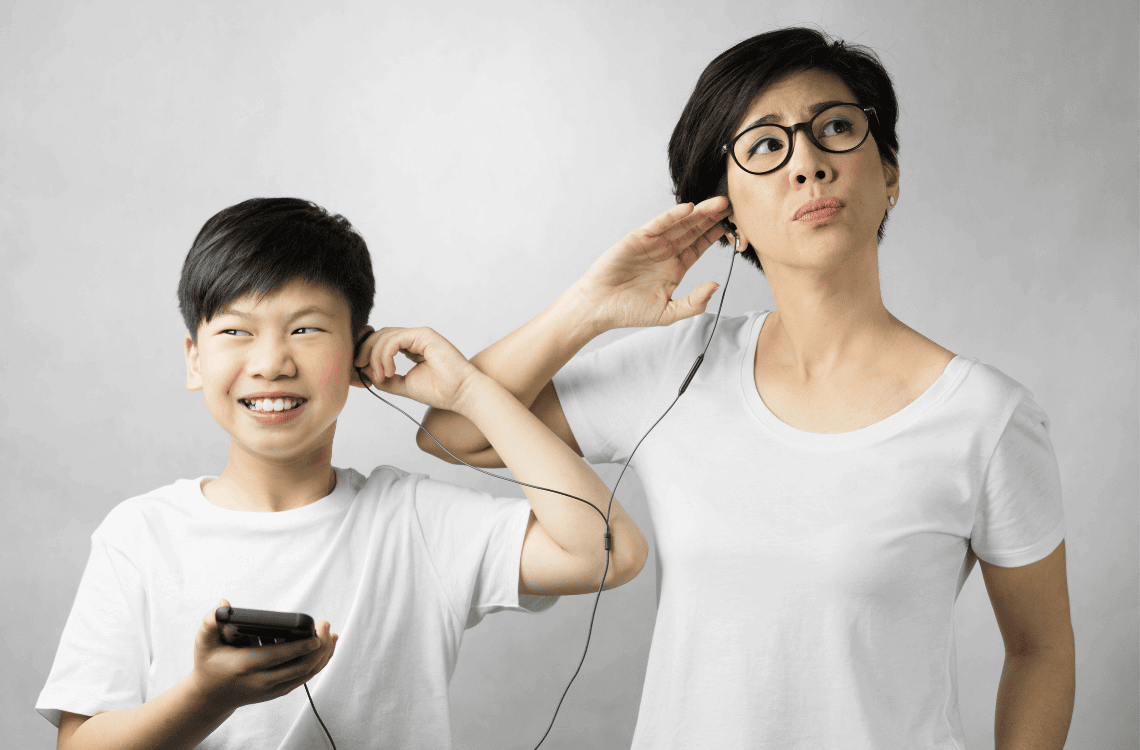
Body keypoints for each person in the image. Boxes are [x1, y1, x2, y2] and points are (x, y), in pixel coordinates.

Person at [417, 27, 1075, 749]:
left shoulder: (985, 418)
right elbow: (453, 430)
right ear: (725, 220)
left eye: (836, 128)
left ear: (889, 175)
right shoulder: (679, 368)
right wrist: (589, 308)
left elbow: (1041, 650)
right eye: (766, 146)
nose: (809, 165)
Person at [36, 197, 648, 750]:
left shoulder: (411, 522)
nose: (271, 362)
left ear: (358, 354)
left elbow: (609, 550)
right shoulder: (142, 534)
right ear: (194, 359)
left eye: (305, 329)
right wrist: (208, 695)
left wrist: (468, 389)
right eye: (235, 332)